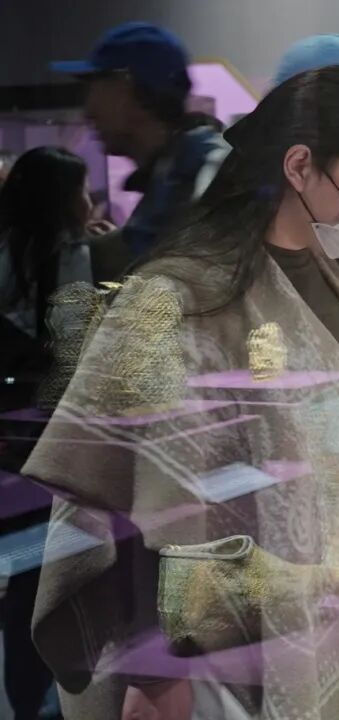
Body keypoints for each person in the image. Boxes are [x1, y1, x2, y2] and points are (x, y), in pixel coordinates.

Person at [20, 65, 339, 720]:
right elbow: (117, 494)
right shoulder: (174, 297)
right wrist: (153, 670)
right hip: (218, 668)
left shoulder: (333, 279)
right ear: (300, 165)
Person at [0, 146, 97, 720]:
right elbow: (76, 349)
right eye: (81, 191)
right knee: (56, 571)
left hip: (10, 437)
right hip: (58, 434)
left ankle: (25, 696)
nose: (89, 203)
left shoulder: (9, 250)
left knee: (25, 570)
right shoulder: (72, 255)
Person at [50, 22, 229, 279]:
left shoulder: (208, 172)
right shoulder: (171, 175)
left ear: (126, 89)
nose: (88, 111)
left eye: (94, 88)